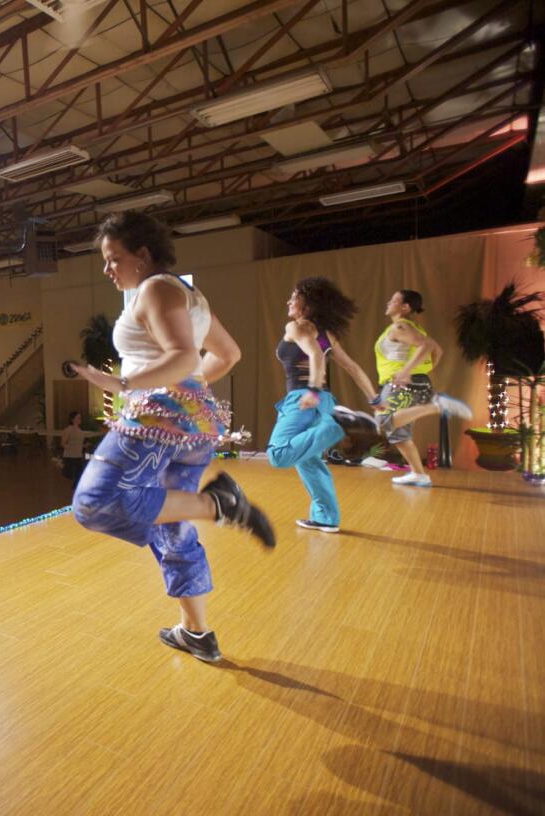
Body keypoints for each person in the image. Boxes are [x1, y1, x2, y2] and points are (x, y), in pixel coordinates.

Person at [70, 211, 274, 665]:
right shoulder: (188, 294)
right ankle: (197, 632)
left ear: (142, 256)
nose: (108, 270)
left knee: (95, 503)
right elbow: (229, 354)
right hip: (192, 425)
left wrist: (125, 386)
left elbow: (183, 357)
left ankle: (220, 504)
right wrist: (191, 393)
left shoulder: (156, 288)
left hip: (156, 422)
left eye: (114, 259)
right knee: (172, 525)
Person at [268, 278, 381, 534]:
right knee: (309, 460)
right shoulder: (327, 334)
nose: (288, 301)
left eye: (293, 297)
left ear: (306, 304)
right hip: (327, 401)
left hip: (304, 398)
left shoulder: (297, 327)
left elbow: (316, 356)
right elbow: (352, 368)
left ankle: (339, 424)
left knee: (278, 454)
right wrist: (375, 400)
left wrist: (313, 390)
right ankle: (326, 518)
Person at [370, 289, 472, 487]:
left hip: (401, 383)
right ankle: (419, 474)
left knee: (384, 421)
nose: (388, 303)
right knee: (399, 434)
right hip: (414, 382)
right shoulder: (411, 327)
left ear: (406, 307)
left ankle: (438, 406)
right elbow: (437, 350)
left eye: (393, 300)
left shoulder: (400, 326)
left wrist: (406, 371)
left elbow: (425, 346)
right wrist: (420, 372)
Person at [60, 411, 87, 488]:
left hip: (78, 455)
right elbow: (63, 443)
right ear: (72, 419)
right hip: (70, 456)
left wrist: (84, 445)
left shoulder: (80, 431)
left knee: (79, 474)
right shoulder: (68, 430)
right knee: (73, 475)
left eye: (80, 417)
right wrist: (71, 447)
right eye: (78, 418)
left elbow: (79, 443)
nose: (80, 419)